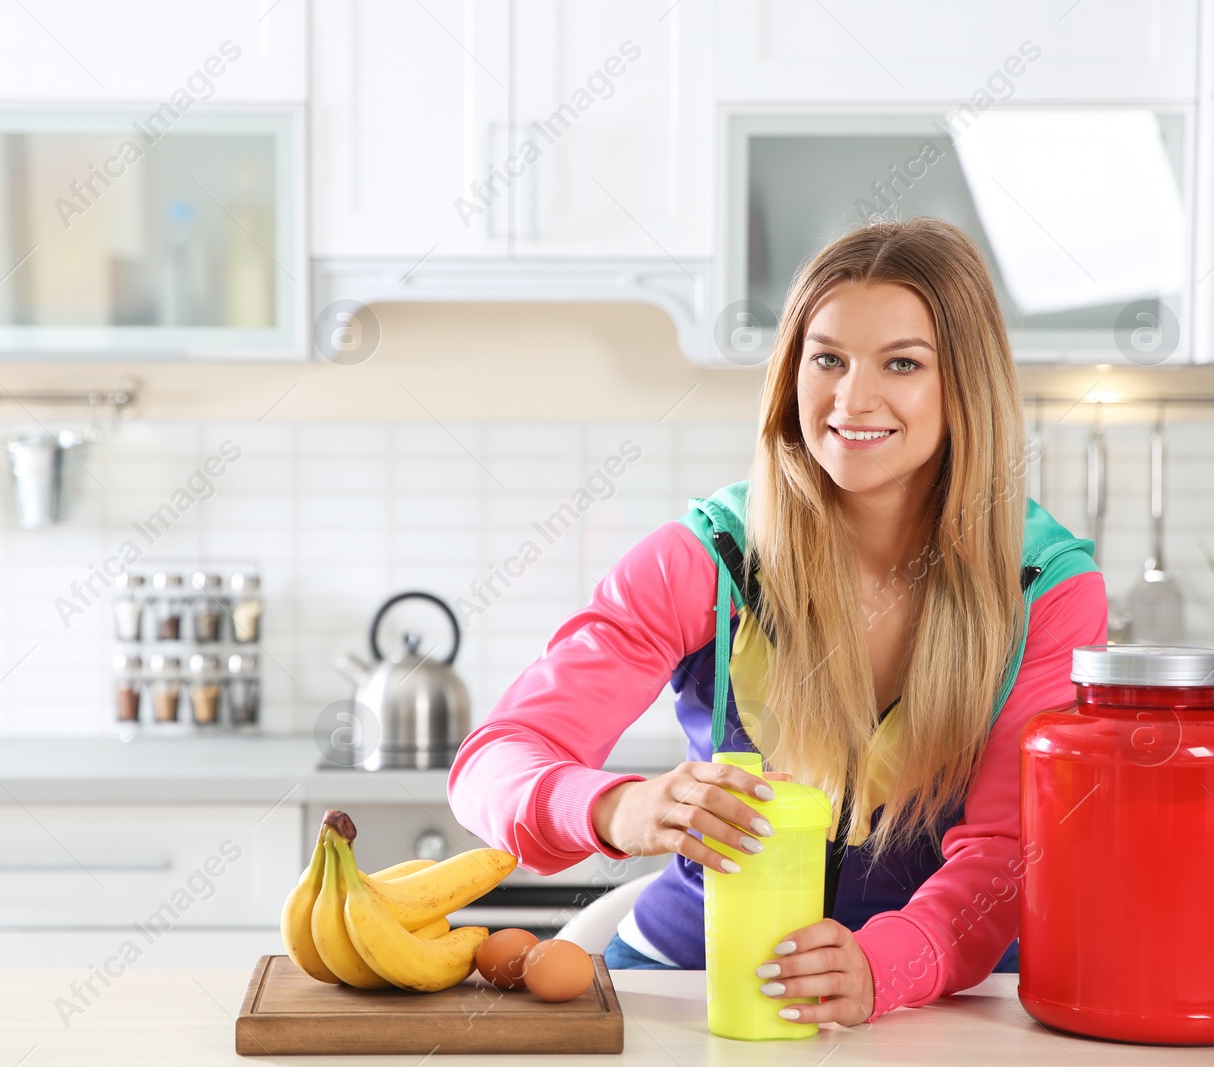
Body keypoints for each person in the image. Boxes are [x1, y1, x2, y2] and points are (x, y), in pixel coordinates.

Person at [446, 217, 1107, 1026]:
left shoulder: (1045, 586)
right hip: (689, 986)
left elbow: (1012, 853)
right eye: (826, 358)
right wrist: (619, 807)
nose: (851, 399)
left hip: (950, 1007)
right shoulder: (705, 558)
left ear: (965, 385)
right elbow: (493, 763)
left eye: (902, 363)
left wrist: (886, 963)